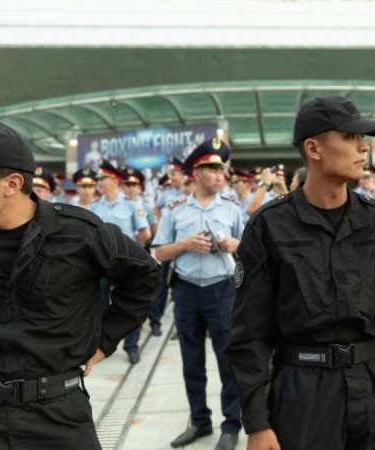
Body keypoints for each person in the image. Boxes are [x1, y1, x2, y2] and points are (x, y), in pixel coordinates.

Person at [0, 122, 159, 449]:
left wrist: (103, 340)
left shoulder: (80, 234)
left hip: (59, 417)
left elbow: (144, 275)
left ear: (11, 183)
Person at [227, 95, 375, 450]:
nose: (363, 147)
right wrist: (257, 422)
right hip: (303, 392)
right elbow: (250, 333)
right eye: (350, 137)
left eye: (362, 139)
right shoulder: (270, 226)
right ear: (314, 148)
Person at [153, 138, 244, 450]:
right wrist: (185, 245)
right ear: (196, 172)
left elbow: (251, 249)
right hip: (187, 290)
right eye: (213, 169)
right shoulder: (175, 211)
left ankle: (231, 424)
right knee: (191, 361)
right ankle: (199, 421)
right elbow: (159, 253)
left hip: (222, 290)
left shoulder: (232, 209)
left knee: (227, 360)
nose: (220, 175)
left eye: (221, 170)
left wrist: (233, 245)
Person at [90, 160, 152, 364]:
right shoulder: (93, 207)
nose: (99, 182)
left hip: (125, 266)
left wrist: (131, 253)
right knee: (98, 306)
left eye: (103, 178)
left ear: (115, 180)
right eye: (98, 179)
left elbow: (145, 232)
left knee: (128, 306)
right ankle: (99, 344)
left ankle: (131, 346)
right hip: (100, 266)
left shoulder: (131, 205)